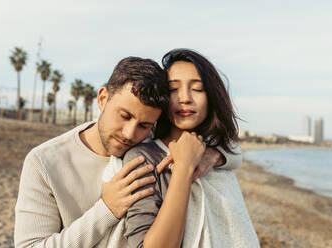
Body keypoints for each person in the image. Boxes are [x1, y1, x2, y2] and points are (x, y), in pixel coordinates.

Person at [14, 56, 241, 247]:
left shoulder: (149, 146)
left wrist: (212, 156)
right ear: (103, 99)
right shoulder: (44, 162)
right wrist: (107, 209)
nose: (130, 134)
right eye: (124, 116)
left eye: (144, 125)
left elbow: (232, 151)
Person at [123, 49, 260, 247]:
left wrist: (213, 155)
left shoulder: (216, 150)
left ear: (212, 97)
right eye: (172, 89)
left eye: (197, 89)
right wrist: (185, 167)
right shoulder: (144, 158)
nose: (184, 98)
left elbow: (234, 151)